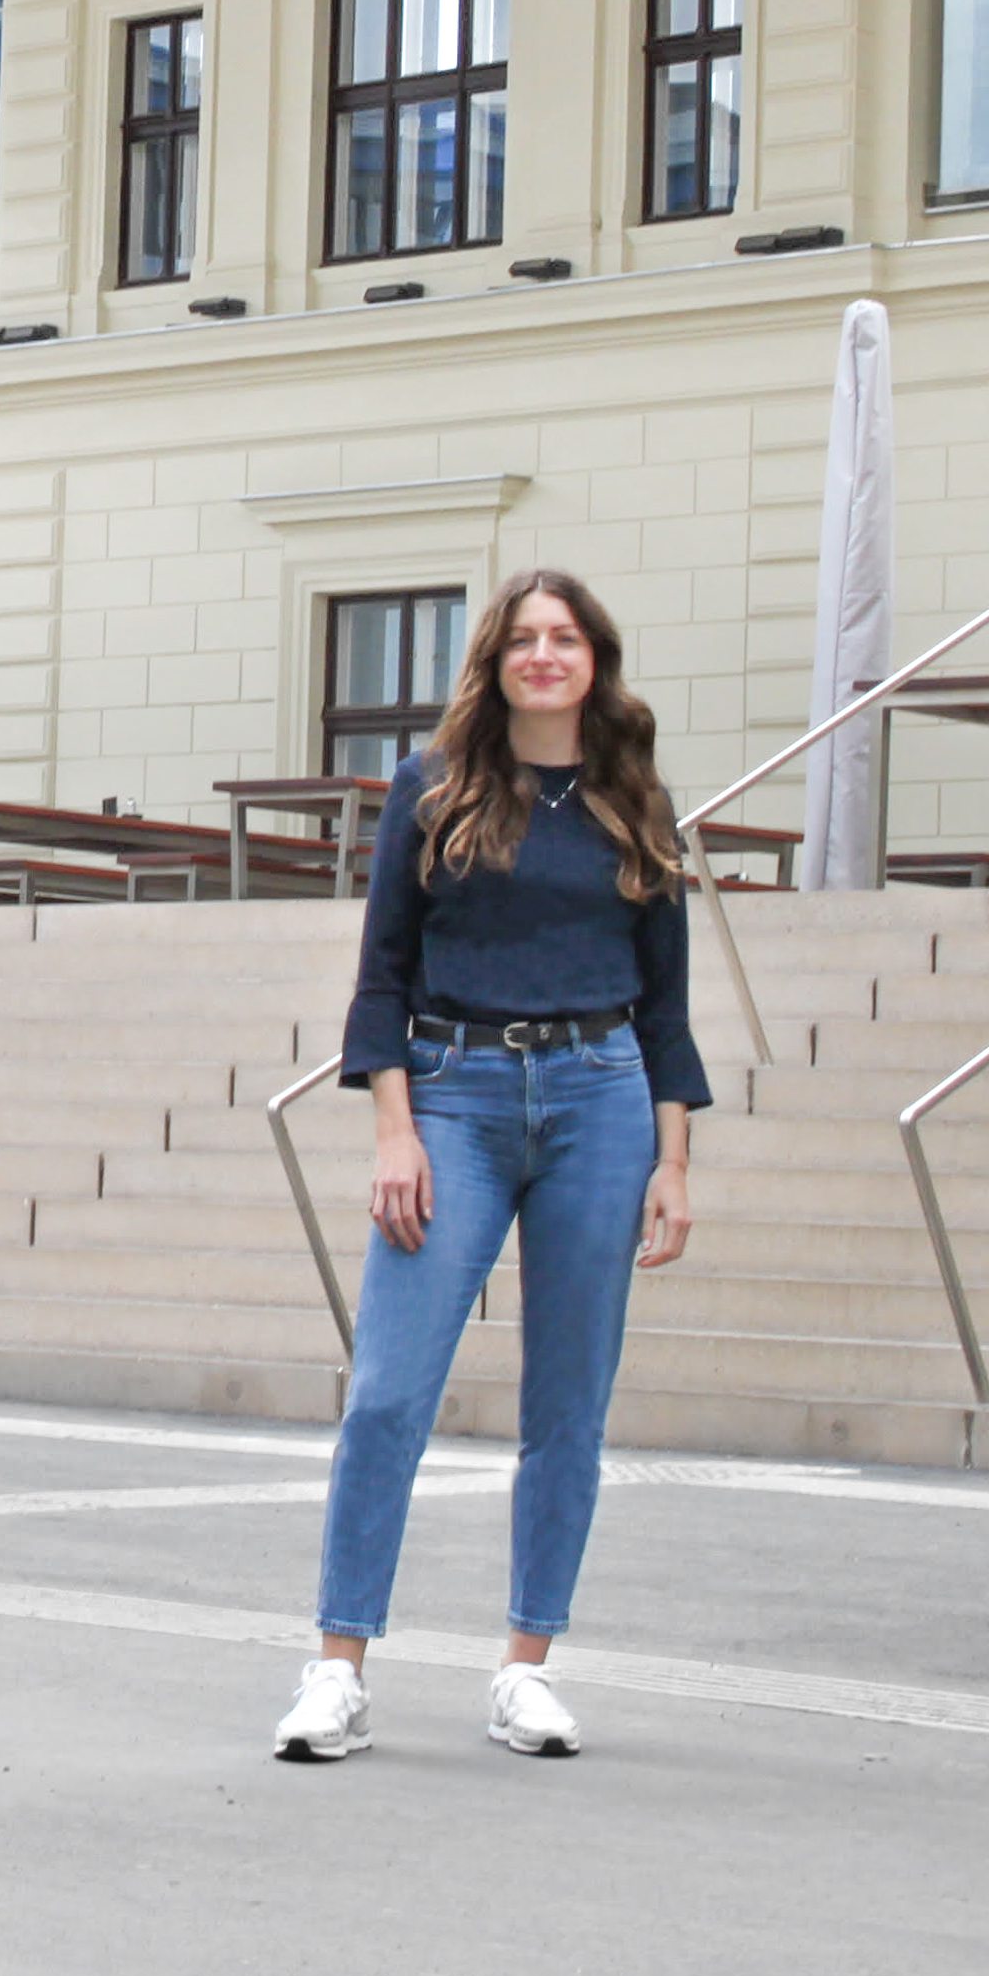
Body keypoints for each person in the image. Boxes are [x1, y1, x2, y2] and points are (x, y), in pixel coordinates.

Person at [272, 570, 708, 1765]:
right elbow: (382, 978)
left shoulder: (633, 801)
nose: (545, 656)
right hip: (455, 1094)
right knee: (389, 1395)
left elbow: (667, 1006)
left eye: (565, 638)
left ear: (595, 661)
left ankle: (527, 1669)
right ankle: (336, 1667)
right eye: (523, 639)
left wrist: (673, 1161)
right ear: (496, 662)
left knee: (568, 1405)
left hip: (600, 1097)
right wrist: (394, 1131)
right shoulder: (436, 789)